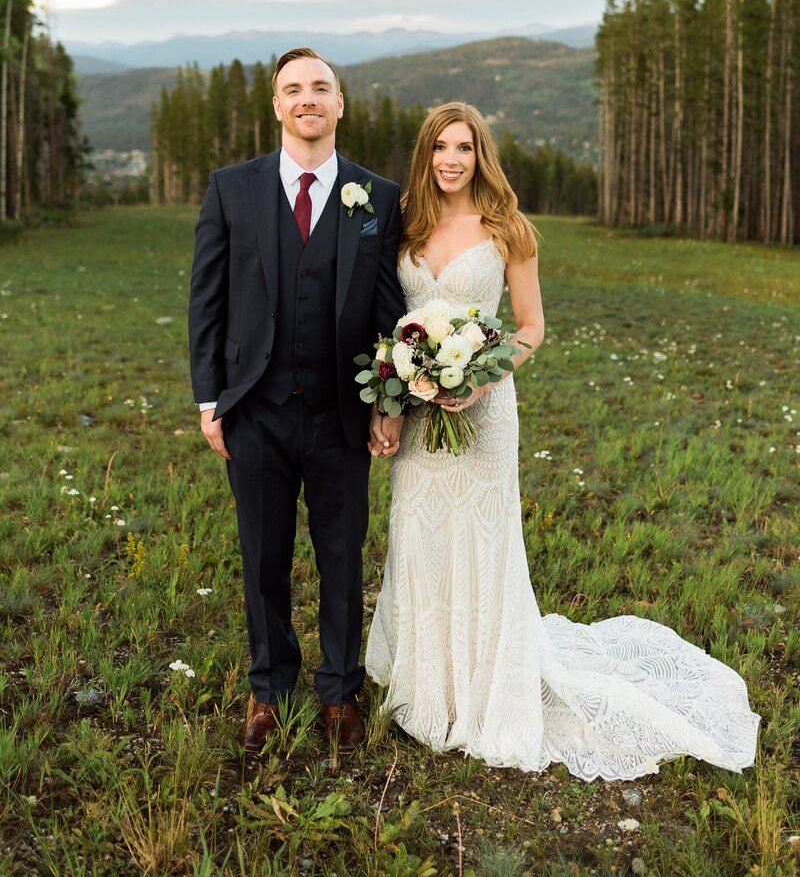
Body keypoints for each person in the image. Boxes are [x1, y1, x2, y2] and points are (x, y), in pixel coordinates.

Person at [365, 102, 759, 779]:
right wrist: (400, 390)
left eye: (463, 147)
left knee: (482, 539)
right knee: (422, 534)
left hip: (483, 412)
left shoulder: (509, 231)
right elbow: (391, 317)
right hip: (421, 415)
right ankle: (430, 688)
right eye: (438, 148)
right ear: (426, 156)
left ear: (481, 153)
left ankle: (487, 691)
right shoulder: (407, 222)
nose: (450, 159)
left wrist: (480, 378)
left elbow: (530, 326)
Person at [188, 47, 405, 754]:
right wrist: (207, 398)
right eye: (293, 89)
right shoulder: (230, 188)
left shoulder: (377, 195)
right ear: (276, 106)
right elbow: (207, 300)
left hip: (344, 410)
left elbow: (387, 305)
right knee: (263, 557)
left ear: (340, 104)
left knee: (342, 555)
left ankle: (340, 691)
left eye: (321, 87)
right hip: (255, 409)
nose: (307, 98)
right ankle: (268, 687)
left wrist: (388, 400)